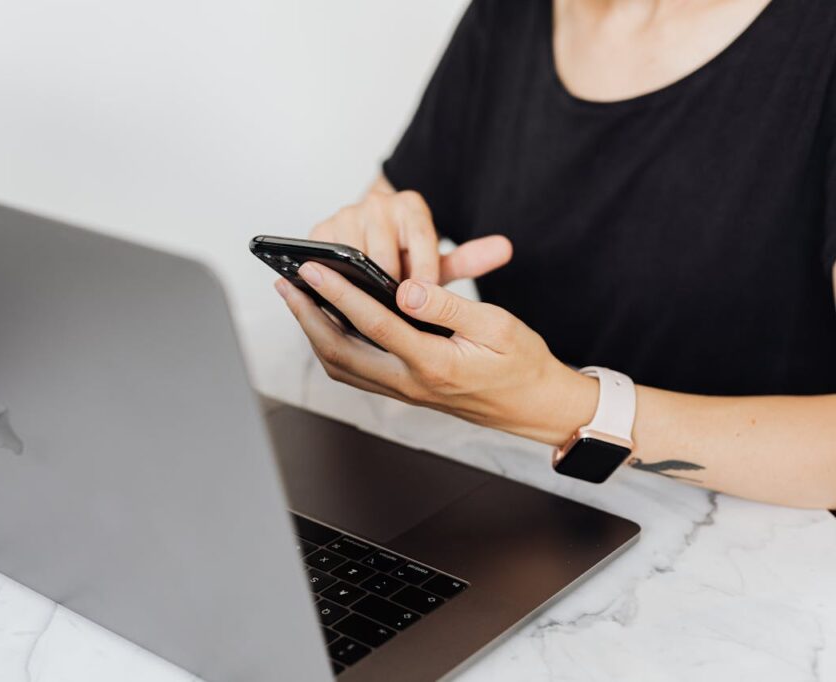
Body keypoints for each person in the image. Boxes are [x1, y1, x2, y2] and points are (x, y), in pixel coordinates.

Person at [272, 0, 836, 509]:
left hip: (769, 555)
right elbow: (392, 215)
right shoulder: (509, 16)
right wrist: (371, 256)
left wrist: (563, 407)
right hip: (540, 506)